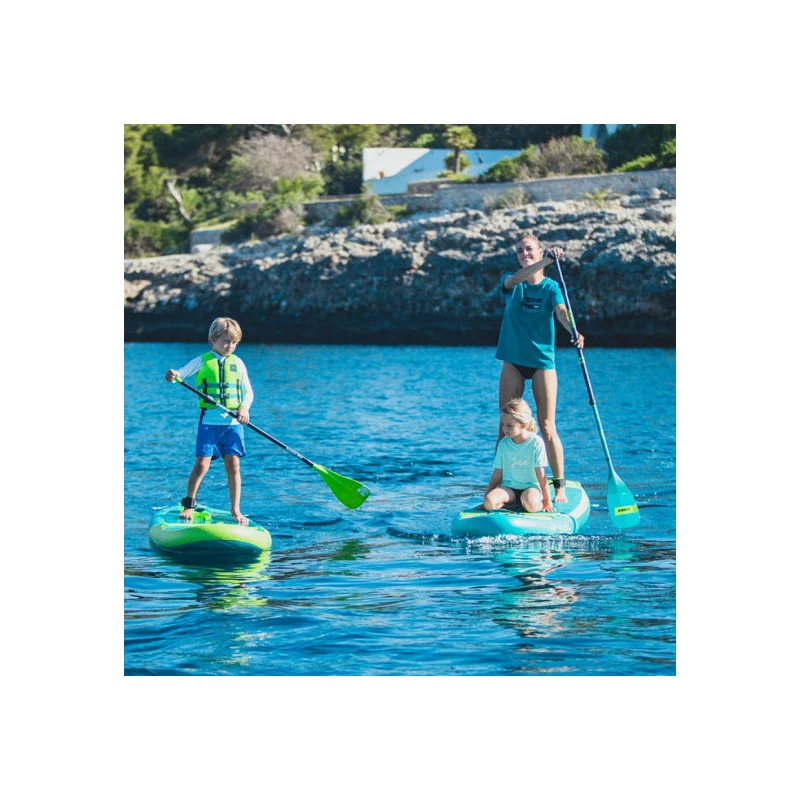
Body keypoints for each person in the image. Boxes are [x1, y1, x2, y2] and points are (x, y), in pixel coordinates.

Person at [494, 232, 584, 503]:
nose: (524, 254)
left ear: (540, 251)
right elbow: (515, 279)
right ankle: (501, 485)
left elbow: (561, 311)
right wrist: (546, 261)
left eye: (529, 249)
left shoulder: (551, 287)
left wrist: (573, 330)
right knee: (505, 426)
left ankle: (559, 487)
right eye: (520, 251)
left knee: (546, 426)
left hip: (542, 362)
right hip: (513, 362)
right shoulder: (511, 281)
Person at [165, 317, 253, 524]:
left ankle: (236, 510)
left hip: (232, 425)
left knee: (233, 465)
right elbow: (180, 374)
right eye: (225, 341)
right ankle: (189, 504)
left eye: (234, 342)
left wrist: (244, 408)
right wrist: (173, 375)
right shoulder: (202, 361)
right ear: (213, 340)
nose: (230, 346)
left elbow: (248, 391)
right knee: (202, 464)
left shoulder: (238, 363)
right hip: (209, 424)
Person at [484, 398, 554, 513]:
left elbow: (541, 474)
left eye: (509, 425)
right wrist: (486, 497)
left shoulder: (536, 442)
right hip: (509, 489)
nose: (505, 429)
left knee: (530, 505)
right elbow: (498, 473)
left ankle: (528, 503)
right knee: (489, 503)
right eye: (503, 424)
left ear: (523, 425)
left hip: (530, 488)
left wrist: (547, 501)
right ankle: (516, 505)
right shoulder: (503, 444)